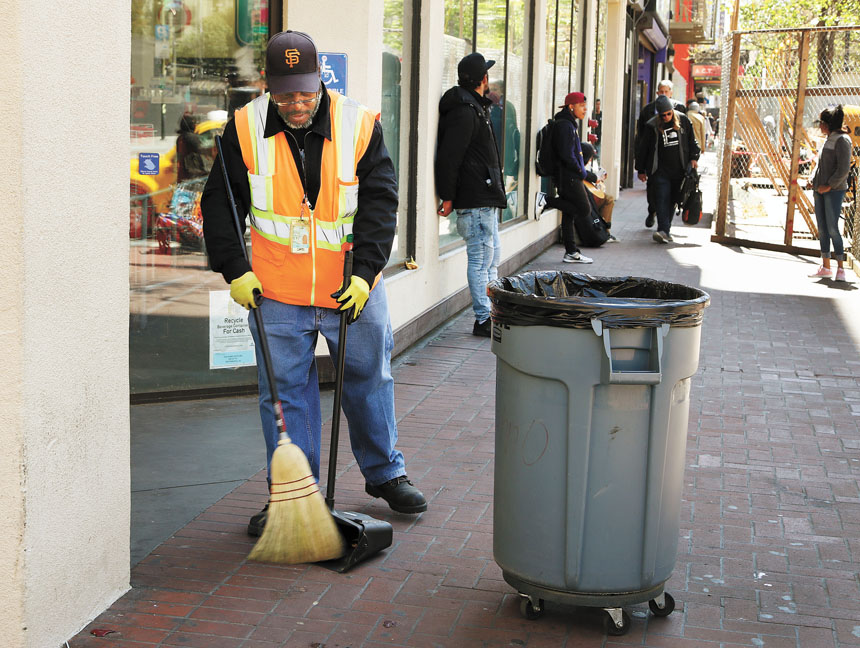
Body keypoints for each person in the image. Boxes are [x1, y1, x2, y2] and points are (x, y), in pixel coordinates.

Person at [201, 30, 427, 537]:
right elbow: (220, 204)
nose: (296, 103)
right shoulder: (243, 128)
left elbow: (379, 203)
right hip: (276, 290)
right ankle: (293, 494)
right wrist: (235, 270)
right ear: (269, 85)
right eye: (284, 94)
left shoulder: (359, 124)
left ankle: (385, 474)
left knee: (369, 378)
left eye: (305, 92)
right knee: (284, 396)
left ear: (319, 79)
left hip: (350, 285)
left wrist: (367, 273)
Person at [436, 52, 506, 337]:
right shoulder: (465, 110)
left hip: (484, 198)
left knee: (492, 258)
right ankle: (483, 319)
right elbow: (449, 157)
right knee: (480, 260)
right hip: (476, 200)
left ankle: (493, 312)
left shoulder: (476, 106)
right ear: (483, 79)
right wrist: (448, 196)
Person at [535, 92, 597, 263]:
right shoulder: (565, 126)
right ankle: (546, 200)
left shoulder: (569, 124)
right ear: (571, 106)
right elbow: (567, 155)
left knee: (569, 212)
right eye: (581, 105)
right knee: (584, 209)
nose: (585, 109)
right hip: (568, 177)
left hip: (568, 175)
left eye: (586, 105)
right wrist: (582, 172)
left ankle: (571, 252)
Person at [635, 94, 700, 244]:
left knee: (672, 200)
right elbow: (643, 148)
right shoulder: (652, 126)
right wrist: (641, 169)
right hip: (659, 171)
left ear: (672, 111)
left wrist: (694, 157)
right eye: (662, 115)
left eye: (668, 114)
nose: (666, 117)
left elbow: (692, 141)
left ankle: (665, 230)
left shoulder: (683, 120)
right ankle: (663, 230)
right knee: (661, 199)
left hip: (679, 171)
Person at [636, 80, 687, 228]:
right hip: (655, 164)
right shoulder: (648, 112)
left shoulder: (681, 111)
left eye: (666, 91)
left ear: (671, 93)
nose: (663, 94)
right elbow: (641, 139)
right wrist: (640, 165)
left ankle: (664, 228)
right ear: (657, 92)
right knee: (655, 194)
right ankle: (652, 212)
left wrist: (692, 158)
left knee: (670, 197)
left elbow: (688, 138)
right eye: (661, 91)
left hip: (676, 166)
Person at [809, 105, 851, 282]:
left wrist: (829, 186)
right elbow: (820, 165)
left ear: (829, 124)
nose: (820, 126)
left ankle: (840, 268)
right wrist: (813, 178)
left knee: (833, 228)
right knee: (823, 227)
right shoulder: (829, 138)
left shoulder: (842, 140)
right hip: (820, 189)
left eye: (822, 123)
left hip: (833, 191)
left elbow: (843, 169)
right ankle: (825, 266)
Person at [581, 141, 617, 241]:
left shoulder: (580, 166)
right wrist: (596, 178)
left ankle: (604, 229)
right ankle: (605, 231)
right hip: (585, 201)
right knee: (608, 199)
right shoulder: (579, 167)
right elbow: (586, 175)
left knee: (606, 198)